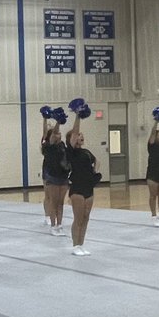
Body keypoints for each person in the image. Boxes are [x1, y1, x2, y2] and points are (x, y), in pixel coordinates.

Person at [66, 108, 100, 256]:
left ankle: (82, 244)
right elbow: (74, 133)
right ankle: (75, 245)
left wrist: (95, 172)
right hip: (77, 187)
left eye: (81, 135)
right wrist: (78, 116)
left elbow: (97, 161)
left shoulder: (86, 152)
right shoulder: (71, 151)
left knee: (86, 218)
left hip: (88, 187)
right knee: (78, 218)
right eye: (78, 135)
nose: (81, 136)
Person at [41, 109, 70, 235]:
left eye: (59, 134)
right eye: (56, 134)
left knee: (60, 203)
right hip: (52, 175)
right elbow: (52, 133)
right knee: (52, 201)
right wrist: (57, 121)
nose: (58, 135)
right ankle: (52, 224)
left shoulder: (62, 145)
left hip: (63, 175)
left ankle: (59, 224)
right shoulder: (49, 145)